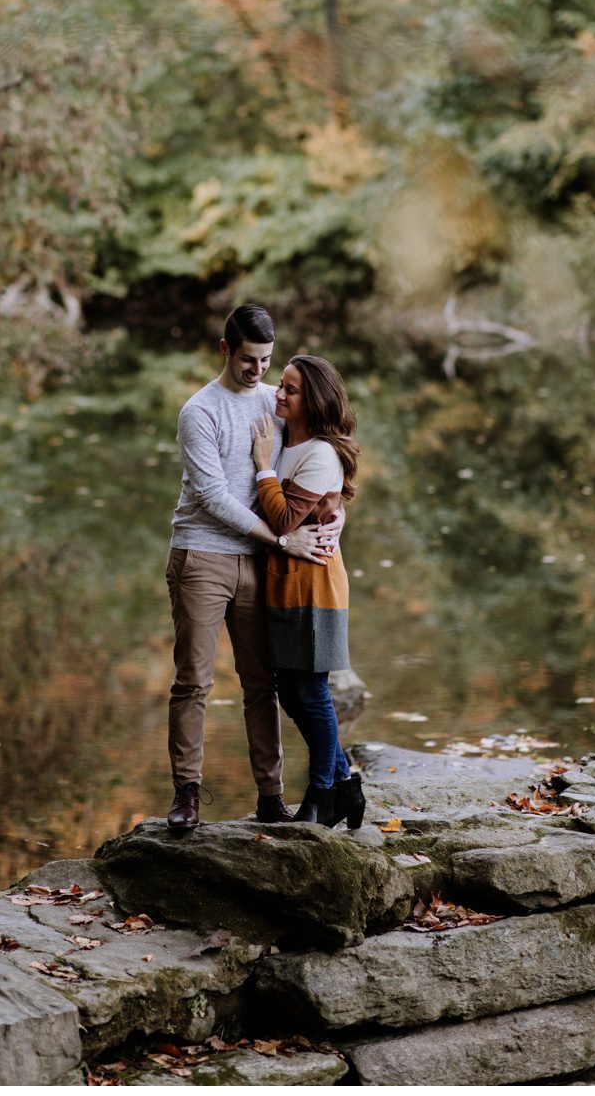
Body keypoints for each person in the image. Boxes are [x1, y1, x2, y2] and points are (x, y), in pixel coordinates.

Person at [164, 303, 341, 832]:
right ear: (224, 349)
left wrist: (336, 511)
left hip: (259, 564)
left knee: (261, 684)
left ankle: (271, 796)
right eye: (247, 359)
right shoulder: (200, 412)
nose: (258, 371)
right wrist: (284, 540)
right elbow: (215, 497)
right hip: (202, 556)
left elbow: (327, 451)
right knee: (193, 681)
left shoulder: (275, 401)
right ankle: (188, 794)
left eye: (265, 360)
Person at [250, 354, 364, 828]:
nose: (278, 393)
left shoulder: (318, 453)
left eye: (290, 389)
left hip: (314, 586)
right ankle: (345, 784)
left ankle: (321, 797)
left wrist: (262, 468)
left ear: (312, 401)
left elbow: (283, 520)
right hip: (286, 586)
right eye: (280, 384)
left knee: (310, 691)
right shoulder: (287, 441)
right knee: (293, 695)